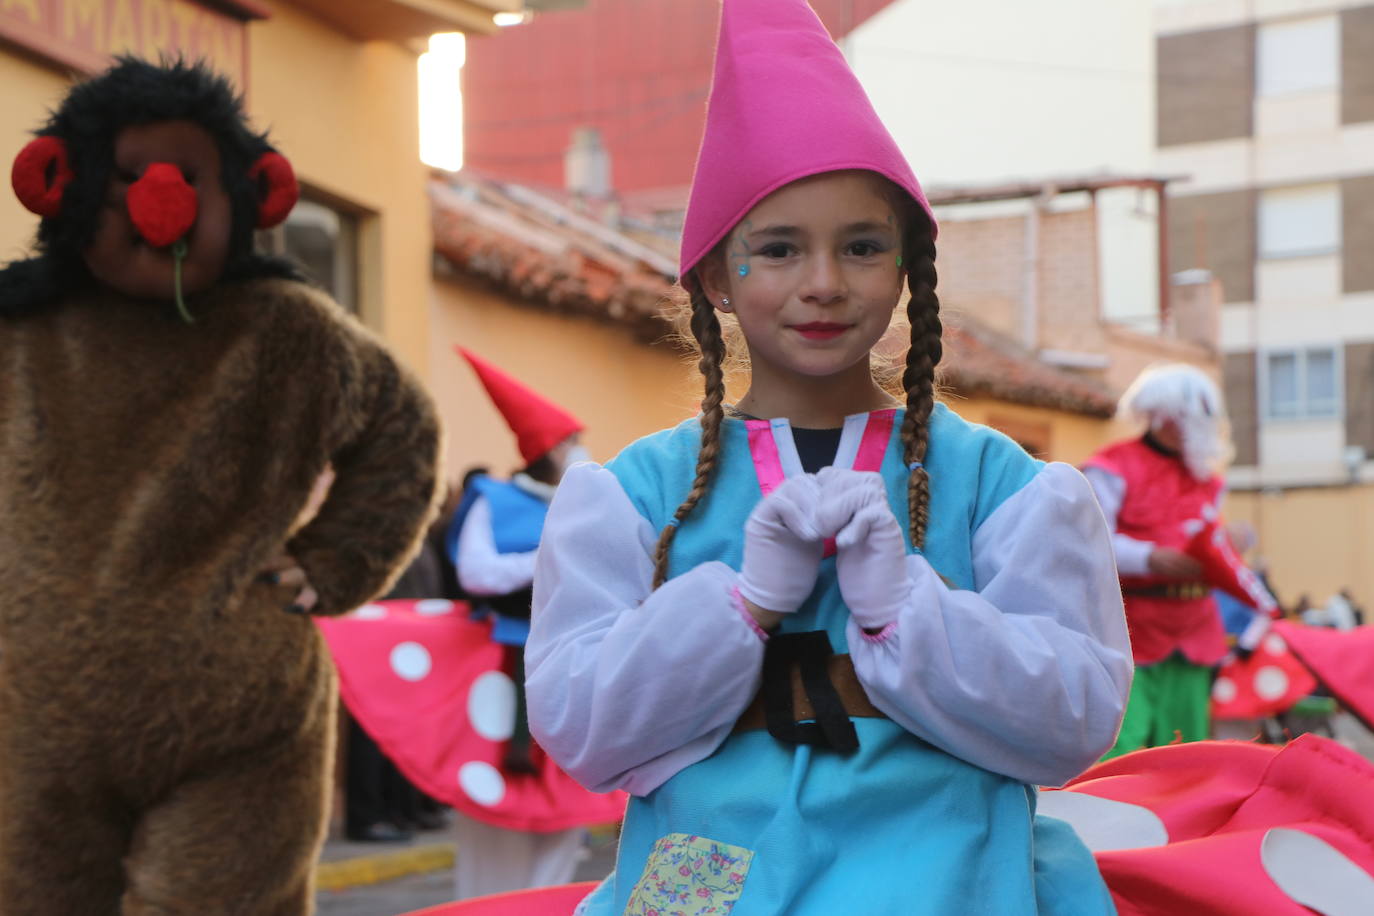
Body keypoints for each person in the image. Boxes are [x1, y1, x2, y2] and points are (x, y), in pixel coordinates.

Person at [524, 2, 1133, 913]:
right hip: (704, 871)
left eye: (861, 247)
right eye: (777, 249)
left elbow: (1074, 722)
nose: (823, 283)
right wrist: (740, 604)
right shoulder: (632, 498)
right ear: (717, 279)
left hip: (945, 868)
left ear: (903, 271)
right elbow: (582, 733)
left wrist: (907, 614)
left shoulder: (1005, 489)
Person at [448, 347, 605, 900]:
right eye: (570, 442)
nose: (579, 450)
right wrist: (546, 556)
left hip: (569, 657)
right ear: (549, 449)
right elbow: (477, 571)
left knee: (566, 805)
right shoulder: (496, 499)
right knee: (496, 805)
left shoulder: (587, 499)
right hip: (503, 658)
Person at [1082, 364, 1229, 757]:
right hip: (1129, 629)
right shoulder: (1111, 468)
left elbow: (1210, 541)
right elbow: (1089, 542)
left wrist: (1230, 546)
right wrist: (1149, 558)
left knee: (1186, 748)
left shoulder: (1208, 479)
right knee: (1121, 747)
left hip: (1194, 628)